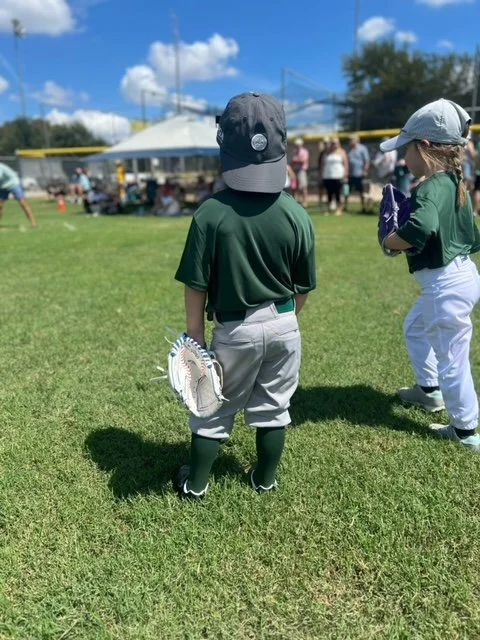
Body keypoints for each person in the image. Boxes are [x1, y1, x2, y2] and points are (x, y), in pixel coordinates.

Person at [173, 92, 316, 499]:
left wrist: (195, 336)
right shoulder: (296, 213)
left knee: (213, 408)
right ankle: (264, 480)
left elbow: (196, 284)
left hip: (236, 330)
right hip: (286, 324)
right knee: (274, 408)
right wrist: (282, 321)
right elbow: (304, 287)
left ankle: (196, 485)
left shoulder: (210, 213)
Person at [381, 98, 480, 450]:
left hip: (444, 286)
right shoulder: (454, 180)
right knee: (415, 327)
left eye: (406, 149)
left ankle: (465, 430)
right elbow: (472, 234)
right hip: (462, 276)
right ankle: (429, 390)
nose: (403, 157)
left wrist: (391, 241)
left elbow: (420, 228)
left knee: (452, 358)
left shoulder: (427, 187)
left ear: (424, 146)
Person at [0, 162, 37, 227]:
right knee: (0, 205)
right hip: (2, 186)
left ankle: (33, 223)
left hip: (14, 184)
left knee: (23, 203)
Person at [321, 137, 348, 215]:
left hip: (338, 175)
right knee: (329, 193)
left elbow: (346, 164)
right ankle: (329, 208)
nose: (334, 144)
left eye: (335, 143)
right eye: (332, 143)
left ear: (338, 143)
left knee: (337, 193)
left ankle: (339, 209)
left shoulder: (342, 152)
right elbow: (323, 164)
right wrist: (321, 175)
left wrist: (345, 175)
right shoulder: (327, 152)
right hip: (328, 176)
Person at [345, 135, 370, 212]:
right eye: (349, 140)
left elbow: (367, 161)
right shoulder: (349, 149)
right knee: (347, 190)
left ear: (356, 140)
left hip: (359, 174)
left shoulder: (362, 148)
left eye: (351, 140)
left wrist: (365, 171)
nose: (350, 141)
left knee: (361, 191)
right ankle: (345, 206)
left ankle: (363, 207)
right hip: (350, 174)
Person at [291, 137, 310, 206]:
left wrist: (296, 160)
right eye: (296, 145)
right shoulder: (294, 152)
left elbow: (303, 161)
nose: (297, 146)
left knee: (303, 187)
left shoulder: (305, 151)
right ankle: (295, 201)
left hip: (301, 171)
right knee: (294, 187)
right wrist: (298, 160)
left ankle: (305, 202)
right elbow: (292, 161)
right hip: (294, 171)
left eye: (298, 145)